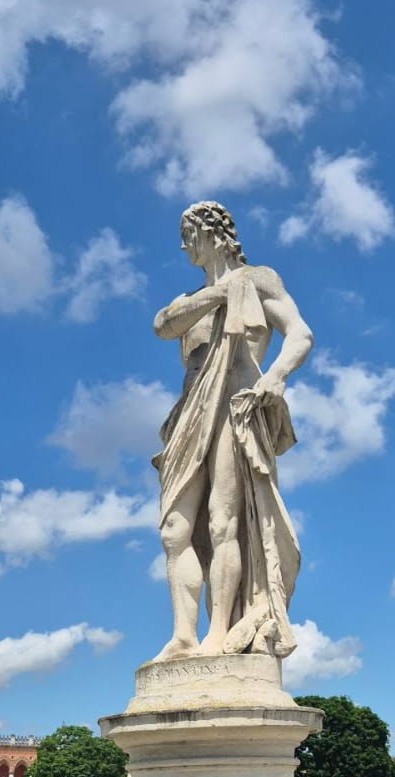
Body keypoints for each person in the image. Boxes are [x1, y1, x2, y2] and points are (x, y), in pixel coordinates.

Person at [152, 201, 313, 661]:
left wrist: (276, 376)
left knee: (224, 523)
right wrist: (218, 294)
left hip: (234, 402)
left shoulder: (258, 278)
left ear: (211, 232)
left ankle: (218, 633)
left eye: (189, 233)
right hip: (190, 411)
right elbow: (163, 325)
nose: (184, 245)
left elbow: (299, 333)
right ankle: (183, 635)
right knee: (174, 531)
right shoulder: (192, 300)